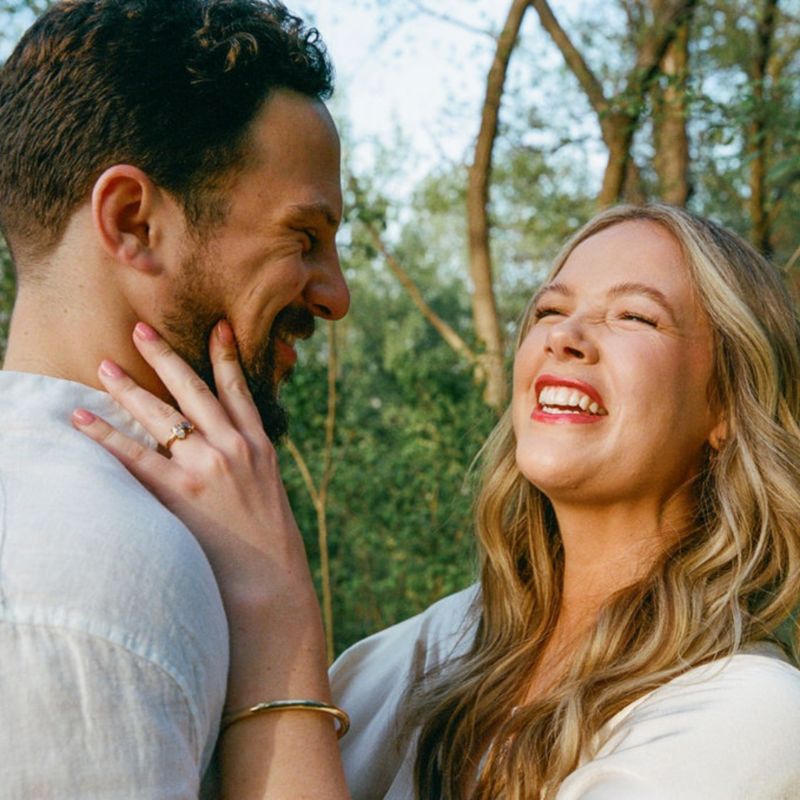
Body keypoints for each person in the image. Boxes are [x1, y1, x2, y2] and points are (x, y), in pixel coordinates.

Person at [74, 207, 800, 795]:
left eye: (636, 317)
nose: (566, 337)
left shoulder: (757, 717)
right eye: (550, 309)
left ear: (727, 404)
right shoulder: (435, 646)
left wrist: (272, 601)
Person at [0, 0, 349, 797]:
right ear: (133, 222)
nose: (336, 295)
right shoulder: (94, 576)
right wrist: (280, 617)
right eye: (304, 237)